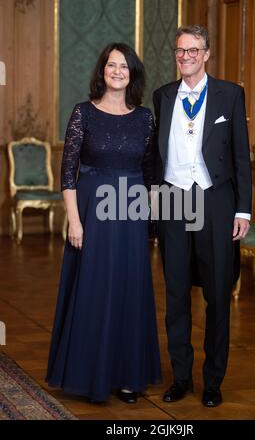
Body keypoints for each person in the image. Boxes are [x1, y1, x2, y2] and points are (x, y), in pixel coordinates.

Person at [46, 43, 162, 404]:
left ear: (133, 74)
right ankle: (89, 374)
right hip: (91, 214)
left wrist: (150, 221)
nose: (117, 71)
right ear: (102, 71)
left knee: (129, 291)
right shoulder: (83, 113)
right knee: (94, 291)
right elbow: (68, 174)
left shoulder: (145, 119)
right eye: (111, 65)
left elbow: (149, 173)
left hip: (129, 213)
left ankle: (127, 377)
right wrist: (74, 222)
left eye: (124, 66)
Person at [152, 25, 252, 407]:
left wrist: (242, 209)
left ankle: (213, 380)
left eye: (193, 51)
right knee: (176, 293)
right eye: (180, 51)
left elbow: (242, 156)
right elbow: (155, 158)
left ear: (206, 54)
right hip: (174, 201)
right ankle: (181, 377)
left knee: (217, 295)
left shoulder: (230, 95)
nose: (186, 57)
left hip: (216, 202)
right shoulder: (163, 96)